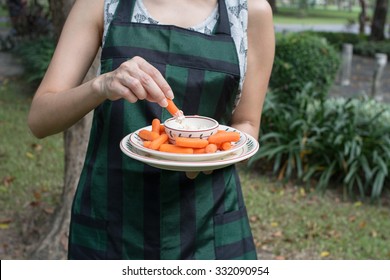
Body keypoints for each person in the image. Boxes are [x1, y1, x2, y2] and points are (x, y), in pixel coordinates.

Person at [28, 0, 275, 260]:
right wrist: (101, 85)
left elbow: (246, 123)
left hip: (210, 221)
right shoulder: (99, 3)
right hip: (112, 216)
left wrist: (214, 156)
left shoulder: (250, 12)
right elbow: (40, 119)